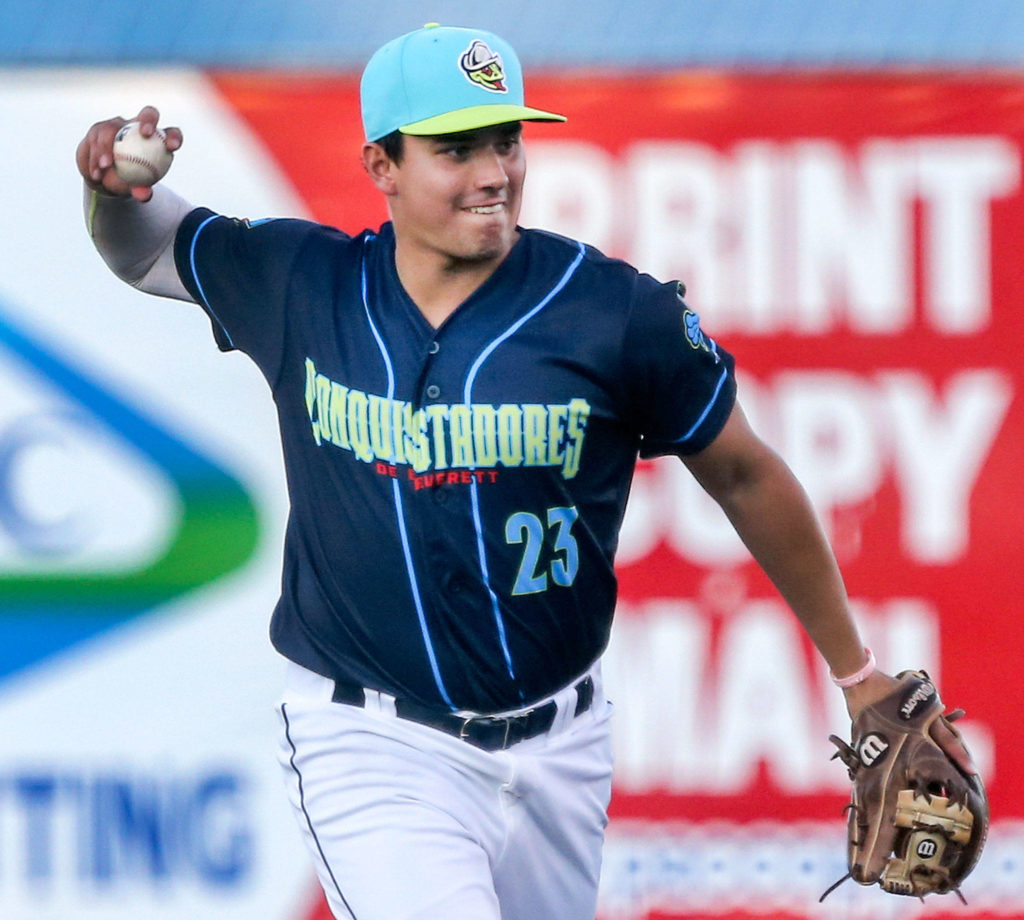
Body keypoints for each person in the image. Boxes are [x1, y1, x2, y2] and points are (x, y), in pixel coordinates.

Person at [76, 23, 975, 920]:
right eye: (454, 148)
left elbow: (744, 473)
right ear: (381, 166)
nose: (493, 171)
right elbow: (146, 247)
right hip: (371, 743)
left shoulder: (612, 312)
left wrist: (859, 675)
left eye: (506, 140)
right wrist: (110, 188)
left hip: (561, 748)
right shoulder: (302, 283)